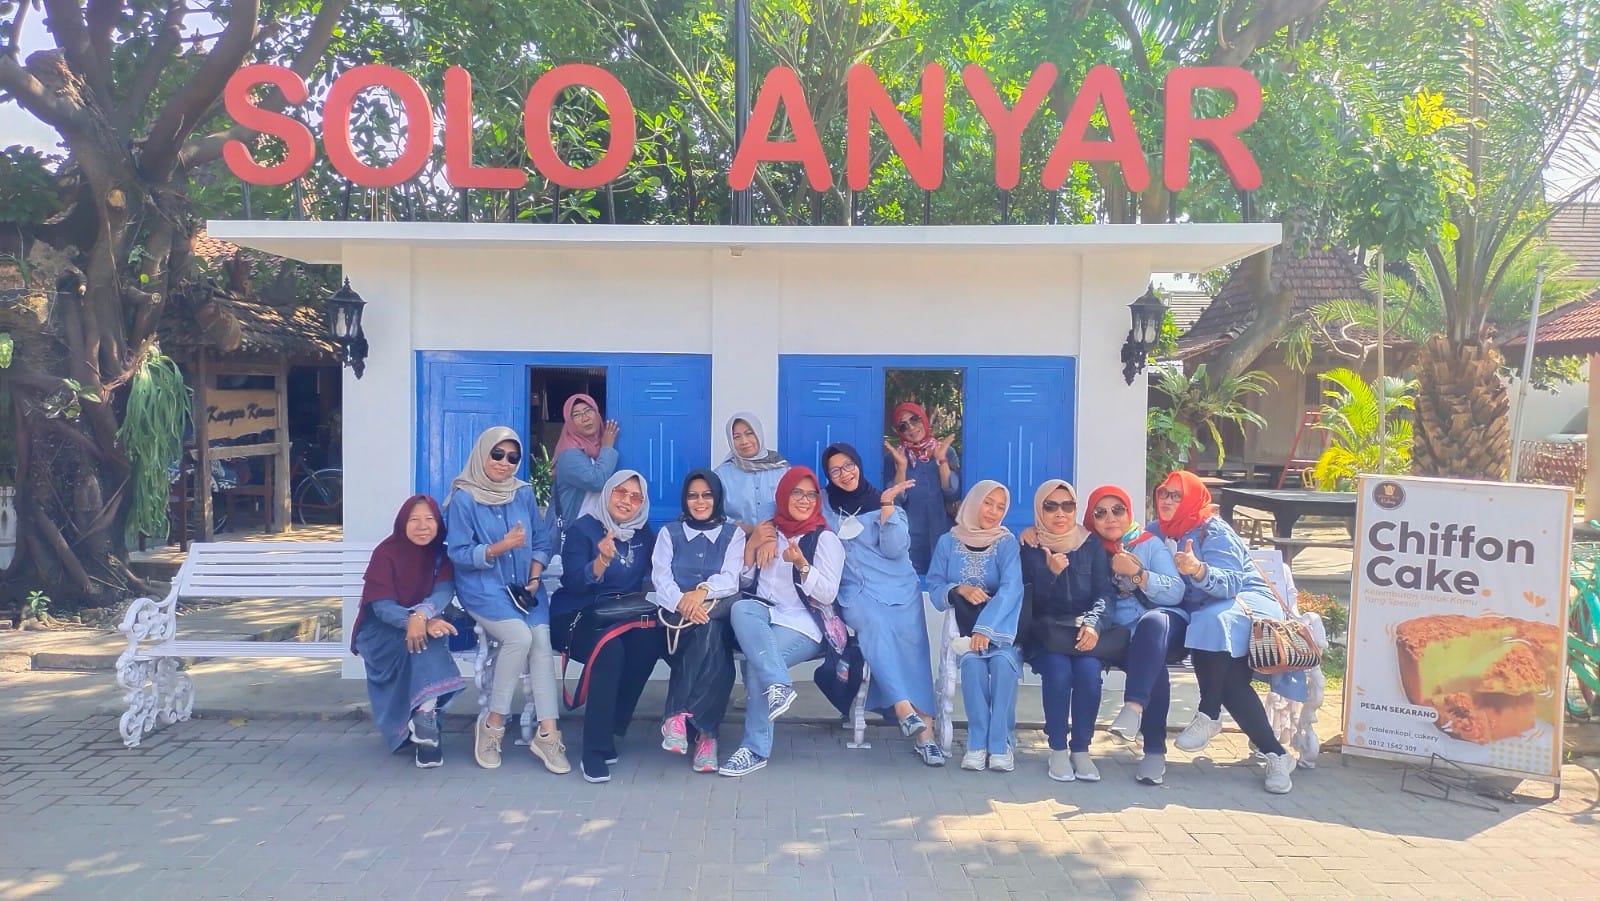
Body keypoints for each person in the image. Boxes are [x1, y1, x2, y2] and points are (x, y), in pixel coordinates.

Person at [1149, 470, 1304, 795]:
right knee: (1231, 682)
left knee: (1208, 622)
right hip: (1209, 614)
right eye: (1164, 493)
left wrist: (1197, 569)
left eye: (1177, 495)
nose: (1167, 500)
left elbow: (1232, 583)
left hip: (1247, 603)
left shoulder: (1212, 529)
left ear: (1192, 499)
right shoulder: (1156, 532)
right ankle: (1277, 755)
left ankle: (1208, 712)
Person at [445, 427, 568, 775]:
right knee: (519, 638)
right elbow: (459, 553)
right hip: (483, 588)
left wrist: (534, 578)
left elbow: (541, 542)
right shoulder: (464, 498)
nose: (505, 463)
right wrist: (501, 547)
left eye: (513, 458)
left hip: (525, 588)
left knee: (540, 642)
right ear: (482, 454)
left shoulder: (522, 493)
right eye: (497, 454)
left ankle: (548, 734)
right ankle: (492, 724)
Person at [819, 442, 945, 766]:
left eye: (849, 465)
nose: (844, 474)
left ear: (859, 464)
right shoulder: (825, 504)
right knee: (873, 628)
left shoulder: (883, 500)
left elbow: (895, 549)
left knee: (914, 654)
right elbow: (791, 508)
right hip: (856, 592)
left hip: (900, 589)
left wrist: (888, 506)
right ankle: (903, 709)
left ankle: (926, 734)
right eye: (835, 470)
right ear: (828, 476)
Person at [719, 467, 845, 777]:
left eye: (811, 494)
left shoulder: (825, 539)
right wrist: (752, 546)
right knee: (742, 608)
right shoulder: (768, 531)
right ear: (783, 495)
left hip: (805, 622)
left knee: (759, 667)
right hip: (764, 615)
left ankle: (754, 749)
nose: (804, 500)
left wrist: (802, 564)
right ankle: (780, 685)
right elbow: (744, 584)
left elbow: (827, 595)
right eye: (796, 492)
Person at [550, 470, 663, 784]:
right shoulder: (583, 529)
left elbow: (663, 568)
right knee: (609, 651)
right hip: (575, 614)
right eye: (620, 492)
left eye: (635, 497)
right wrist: (600, 561)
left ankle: (613, 727)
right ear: (607, 493)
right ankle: (594, 751)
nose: (626, 501)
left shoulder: (642, 533)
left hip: (620, 614)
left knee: (650, 641)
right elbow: (574, 582)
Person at [351, 494, 467, 768]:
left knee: (429, 638)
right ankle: (426, 723)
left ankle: (425, 722)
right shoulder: (386, 553)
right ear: (403, 523)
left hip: (420, 624)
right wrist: (416, 621)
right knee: (428, 638)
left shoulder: (441, 555)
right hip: (379, 634)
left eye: (429, 519)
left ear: (438, 523)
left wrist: (422, 616)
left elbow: (443, 592)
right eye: (414, 520)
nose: (422, 526)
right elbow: (381, 607)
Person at [1084, 484, 1188, 787]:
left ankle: (1134, 709)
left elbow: (1176, 592)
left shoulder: (1148, 544)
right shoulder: (1088, 549)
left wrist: (1138, 574)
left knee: (1151, 625)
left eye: (1118, 510)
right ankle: (1154, 751)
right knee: (1152, 667)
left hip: (1164, 626)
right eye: (1100, 513)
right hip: (1121, 635)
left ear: (1129, 512)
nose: (1110, 518)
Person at [1018, 480, 1117, 783]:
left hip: (1083, 630)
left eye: (1067, 506)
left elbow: (1105, 593)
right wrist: (1050, 573)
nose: (1060, 513)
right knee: (1059, 672)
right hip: (1046, 633)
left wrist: (1094, 623)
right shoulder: (1030, 546)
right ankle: (1058, 749)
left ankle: (1081, 749)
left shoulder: (1090, 544)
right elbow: (1030, 603)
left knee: (1088, 674)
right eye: (1050, 506)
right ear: (1040, 510)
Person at [651, 469, 746, 774]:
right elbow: (661, 578)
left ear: (717, 498)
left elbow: (731, 578)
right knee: (713, 641)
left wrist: (701, 593)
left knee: (711, 629)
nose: (700, 501)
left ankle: (677, 716)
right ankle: (707, 736)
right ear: (685, 499)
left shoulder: (733, 534)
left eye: (707, 495)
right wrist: (683, 602)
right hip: (675, 621)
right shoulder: (670, 533)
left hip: (715, 611)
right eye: (693, 496)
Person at [927, 480, 1023, 772]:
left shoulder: (1006, 543)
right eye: (987, 503)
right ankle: (977, 743)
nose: (993, 512)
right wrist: (959, 589)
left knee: (1003, 666)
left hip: (1002, 630)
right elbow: (935, 585)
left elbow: (1012, 588)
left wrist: (986, 629)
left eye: (1001, 507)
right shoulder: (948, 542)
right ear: (973, 503)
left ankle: (1001, 743)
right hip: (965, 631)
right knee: (971, 666)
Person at [883, 401, 960, 575]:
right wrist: (902, 467)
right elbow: (894, 501)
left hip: (943, 533)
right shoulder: (892, 458)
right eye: (903, 426)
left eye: (915, 419)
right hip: (909, 537)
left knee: (943, 581)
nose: (911, 427)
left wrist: (941, 461)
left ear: (924, 419)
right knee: (911, 582)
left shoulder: (946, 452)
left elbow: (953, 493)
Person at [549, 393, 620, 548]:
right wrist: (608, 448)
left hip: (598, 533)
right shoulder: (568, 455)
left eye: (588, 410)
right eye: (576, 415)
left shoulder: (598, 449)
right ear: (570, 422)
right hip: (575, 535)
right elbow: (596, 481)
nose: (585, 418)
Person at [712, 412, 790, 534]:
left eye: (749, 433)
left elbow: (795, 506)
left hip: (778, 540)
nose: (744, 441)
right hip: (735, 541)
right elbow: (713, 512)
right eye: (736, 437)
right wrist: (746, 530)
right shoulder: (720, 476)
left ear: (759, 434)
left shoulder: (782, 470)